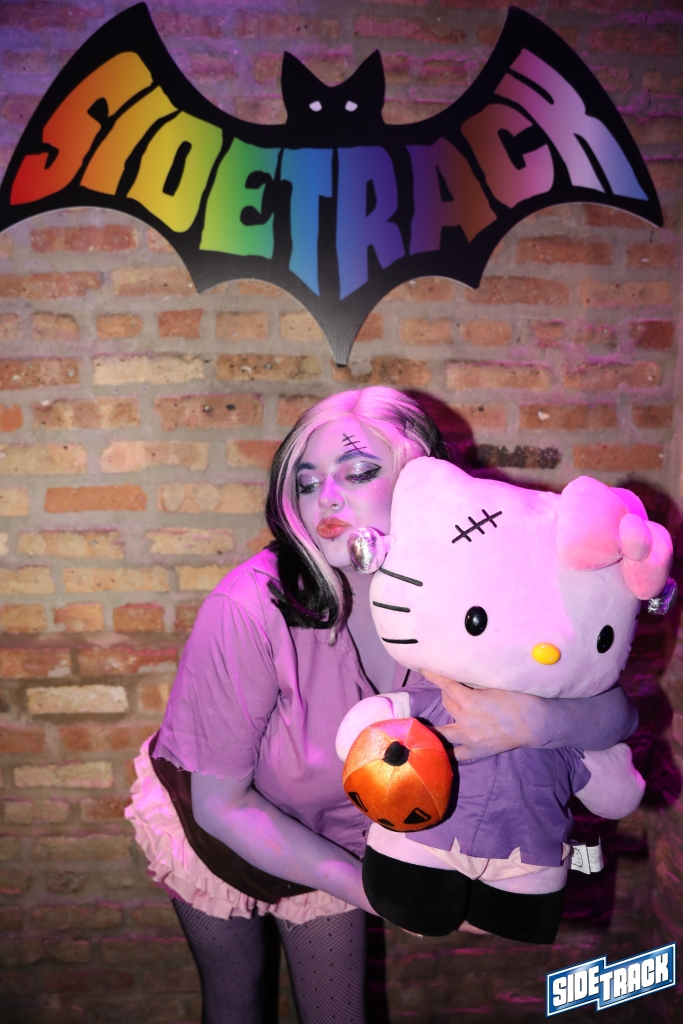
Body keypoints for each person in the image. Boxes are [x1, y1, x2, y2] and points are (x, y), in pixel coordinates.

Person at [126, 386, 638, 1024]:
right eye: (306, 482)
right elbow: (221, 805)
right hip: (226, 832)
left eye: (359, 471)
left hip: (337, 839)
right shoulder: (247, 608)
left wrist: (537, 721)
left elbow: (616, 715)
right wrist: (383, 896)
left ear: (425, 482)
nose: (326, 498)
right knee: (237, 1001)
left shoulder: (475, 586)